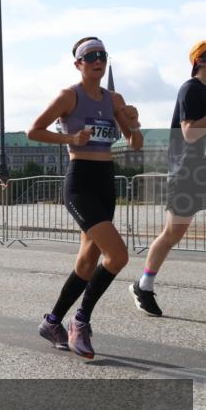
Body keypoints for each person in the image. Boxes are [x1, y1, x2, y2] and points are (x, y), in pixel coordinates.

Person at [28, 37, 143, 359]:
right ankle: (81, 320)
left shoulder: (115, 98)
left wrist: (133, 123)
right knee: (118, 256)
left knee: (87, 261)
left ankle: (52, 322)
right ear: (78, 63)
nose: (98, 60)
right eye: (90, 56)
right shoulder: (69, 96)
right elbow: (33, 130)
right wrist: (69, 137)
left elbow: (135, 144)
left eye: (103, 55)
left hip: (106, 182)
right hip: (79, 182)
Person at [130, 37, 206, 316]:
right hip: (188, 173)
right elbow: (190, 133)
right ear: (201, 60)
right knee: (174, 233)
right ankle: (144, 285)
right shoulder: (191, 89)